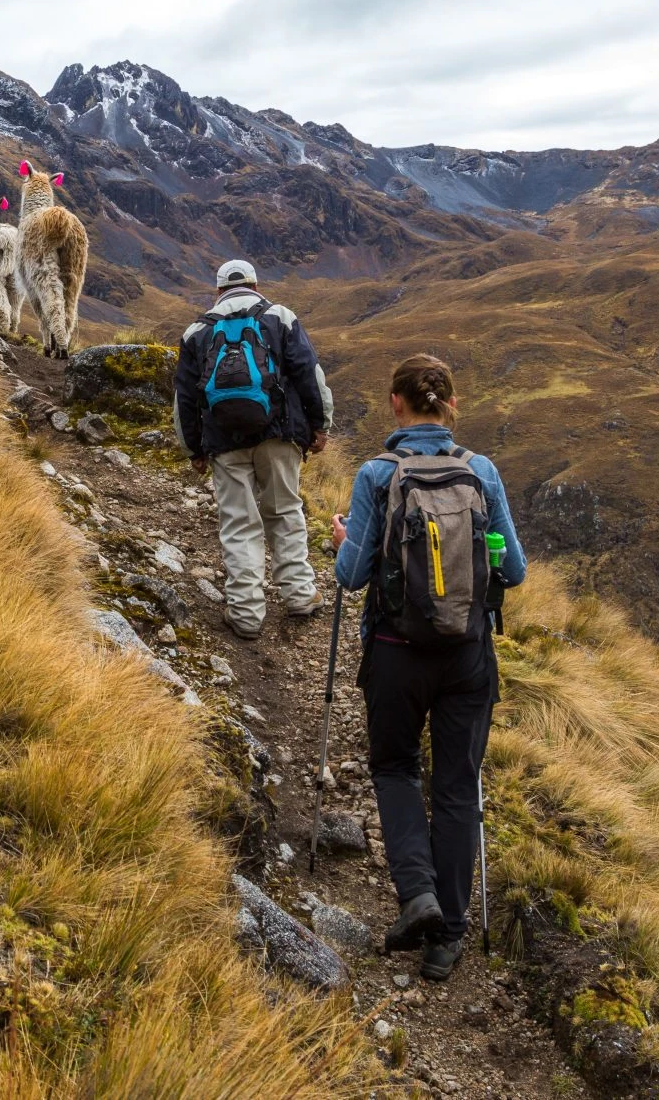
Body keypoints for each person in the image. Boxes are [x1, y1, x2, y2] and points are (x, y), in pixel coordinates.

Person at [330, 353, 525, 982]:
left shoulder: (376, 475)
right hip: (467, 657)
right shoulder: (481, 471)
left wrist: (343, 543)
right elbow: (514, 572)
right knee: (457, 787)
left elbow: (351, 575)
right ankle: (451, 935)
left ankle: (417, 894)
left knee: (394, 768)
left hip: (394, 654)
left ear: (397, 404)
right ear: (451, 404)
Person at [173, 259, 333, 640]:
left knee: (239, 523)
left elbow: (183, 400)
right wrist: (319, 425)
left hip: (224, 440)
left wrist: (193, 448)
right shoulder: (280, 316)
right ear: (256, 285)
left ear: (218, 291)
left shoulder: (196, 330)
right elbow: (309, 373)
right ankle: (299, 596)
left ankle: (245, 614)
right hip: (279, 434)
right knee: (284, 512)